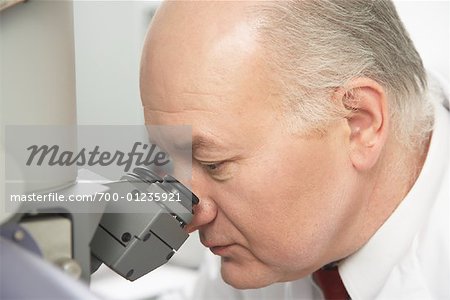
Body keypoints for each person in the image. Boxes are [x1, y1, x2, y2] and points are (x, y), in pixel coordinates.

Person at [139, 0, 449, 299]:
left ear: (358, 124)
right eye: (168, 159)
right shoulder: (270, 240)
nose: (187, 218)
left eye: (213, 164)